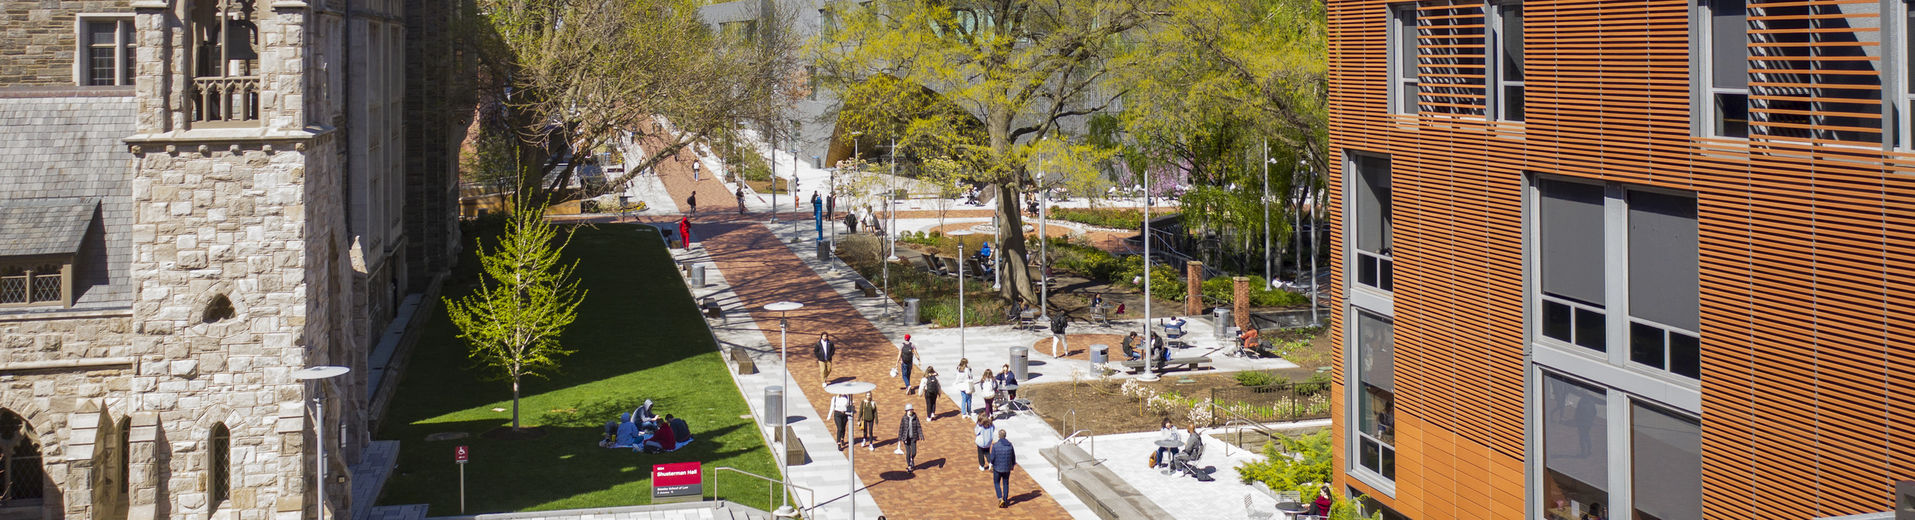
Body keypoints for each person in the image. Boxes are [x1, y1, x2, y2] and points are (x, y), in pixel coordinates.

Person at [989, 429, 1017, 508]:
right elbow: (1013, 457)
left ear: (999, 436)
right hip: (1007, 468)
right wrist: (1012, 465)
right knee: (1006, 483)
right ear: (1005, 436)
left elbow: (992, 458)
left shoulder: (995, 446)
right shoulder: (1010, 445)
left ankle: (1000, 498)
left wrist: (991, 465)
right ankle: (1005, 499)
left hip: (997, 468)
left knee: (996, 483)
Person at [897, 404, 924, 473]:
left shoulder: (915, 418)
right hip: (906, 438)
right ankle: (909, 466)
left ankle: (912, 459)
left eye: (911, 410)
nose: (910, 411)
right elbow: (901, 428)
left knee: (914, 452)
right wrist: (899, 438)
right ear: (906, 411)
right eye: (908, 410)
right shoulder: (904, 418)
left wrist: (921, 435)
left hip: (913, 437)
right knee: (908, 452)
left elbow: (918, 426)